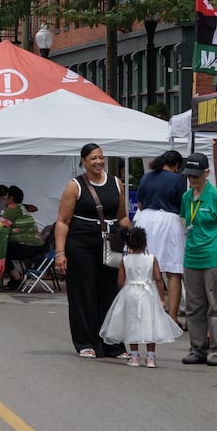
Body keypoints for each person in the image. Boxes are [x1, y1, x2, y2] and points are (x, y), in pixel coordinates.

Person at [53, 143, 133, 359]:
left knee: (110, 293)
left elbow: (122, 216)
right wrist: (60, 253)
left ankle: (112, 343)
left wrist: (132, 239)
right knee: (83, 293)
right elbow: (62, 221)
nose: (98, 162)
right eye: (93, 159)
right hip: (81, 244)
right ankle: (86, 342)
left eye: (101, 157)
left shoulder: (116, 183)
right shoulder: (75, 186)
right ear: (83, 162)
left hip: (111, 244)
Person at [179, 153, 217, 366]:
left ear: (206, 173)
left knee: (216, 305)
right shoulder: (187, 197)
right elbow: (185, 223)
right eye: (189, 175)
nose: (192, 180)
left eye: (196, 175)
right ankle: (197, 348)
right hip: (192, 257)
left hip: (215, 258)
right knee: (194, 306)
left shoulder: (216, 196)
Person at [100, 227, 179, 367]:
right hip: (148, 292)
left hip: (130, 292)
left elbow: (120, 281)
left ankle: (135, 356)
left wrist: (126, 289)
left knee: (132, 323)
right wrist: (161, 298)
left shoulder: (125, 260)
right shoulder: (151, 259)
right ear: (145, 243)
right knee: (150, 323)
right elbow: (158, 279)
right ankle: (150, 357)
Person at [134, 150, 189, 327]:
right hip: (169, 220)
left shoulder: (147, 177)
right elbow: (183, 206)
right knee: (173, 270)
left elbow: (140, 204)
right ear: (177, 165)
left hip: (146, 219)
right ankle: (172, 317)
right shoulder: (179, 180)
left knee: (144, 268)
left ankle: (143, 313)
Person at [0, 185, 46, 288]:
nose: (4, 199)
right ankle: (15, 277)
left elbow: (1, 226)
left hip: (28, 245)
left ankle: (16, 277)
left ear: (11, 197)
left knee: (1, 250)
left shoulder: (13, 208)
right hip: (37, 244)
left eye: (5, 197)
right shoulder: (22, 207)